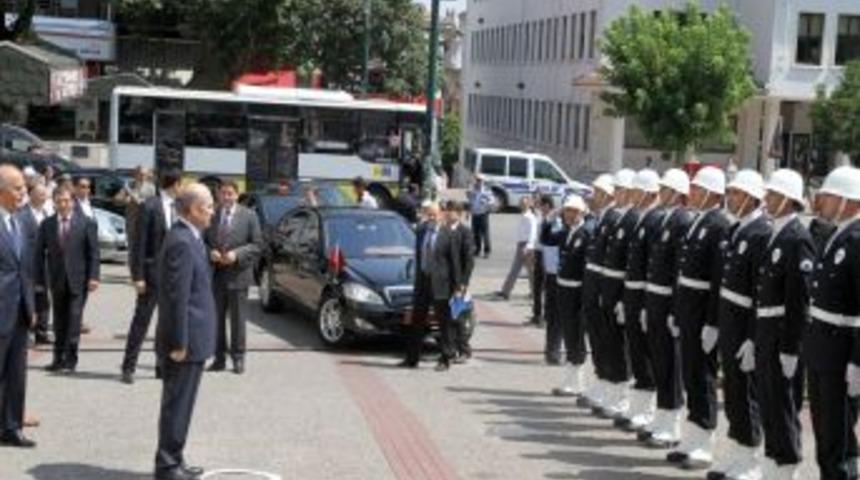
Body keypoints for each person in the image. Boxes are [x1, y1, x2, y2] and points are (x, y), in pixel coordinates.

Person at [706, 169, 772, 480]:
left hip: (745, 326)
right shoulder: (739, 229)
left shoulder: (761, 233)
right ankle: (737, 453)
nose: (730, 198)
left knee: (746, 395)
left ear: (751, 197)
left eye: (735, 193)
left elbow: (761, 293)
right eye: (729, 192)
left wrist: (752, 337)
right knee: (732, 393)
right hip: (729, 321)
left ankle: (750, 461)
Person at [666, 166, 731, 471]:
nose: (691, 193)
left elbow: (717, 281)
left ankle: (704, 444)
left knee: (703, 378)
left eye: (698, 188)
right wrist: (678, 311)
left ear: (714, 194)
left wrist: (712, 322)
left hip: (702, 310)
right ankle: (691, 438)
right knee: (691, 375)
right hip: (688, 308)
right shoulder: (698, 221)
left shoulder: (719, 225)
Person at [754, 169, 815, 480]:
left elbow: (799, 302)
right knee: (769, 401)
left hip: (782, 335)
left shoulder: (797, 239)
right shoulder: (776, 233)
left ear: (790, 200)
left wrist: (791, 347)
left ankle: (786, 467)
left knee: (783, 405)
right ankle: (773, 464)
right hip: (767, 331)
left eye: (773, 195)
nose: (767, 199)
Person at [154, 182, 216, 480]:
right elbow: (176, 296)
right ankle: (167, 466)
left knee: (183, 404)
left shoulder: (191, 236)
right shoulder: (181, 240)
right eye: (208, 207)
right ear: (192, 210)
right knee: (176, 404)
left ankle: (175, 458)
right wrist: (179, 341)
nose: (212, 213)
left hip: (193, 337)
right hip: (184, 341)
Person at [803, 166, 860, 480]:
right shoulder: (836, 235)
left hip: (840, 351)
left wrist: (857, 361)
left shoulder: (857, 239)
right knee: (824, 429)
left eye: (829, 196)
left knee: (835, 434)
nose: (821, 201)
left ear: (849, 202)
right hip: (822, 347)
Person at [642, 169, 693, 449]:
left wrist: (675, 308)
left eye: (666, 189)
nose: (661, 193)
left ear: (678, 193)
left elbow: (677, 270)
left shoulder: (682, 220)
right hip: (656, 297)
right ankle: (662, 417)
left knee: (670, 364)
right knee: (660, 360)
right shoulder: (667, 219)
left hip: (668, 299)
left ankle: (672, 425)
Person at [121, 169, 183, 384]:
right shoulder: (150, 205)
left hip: (172, 276)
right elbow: (138, 243)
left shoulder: (180, 208)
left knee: (165, 324)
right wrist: (137, 275)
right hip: (151, 274)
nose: (182, 189)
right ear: (175, 185)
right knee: (141, 322)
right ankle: (128, 366)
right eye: (181, 185)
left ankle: (161, 364)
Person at [34, 186, 100, 373]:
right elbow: (39, 254)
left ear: (73, 202)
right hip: (56, 280)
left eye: (67, 201)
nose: (63, 204)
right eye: (59, 201)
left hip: (79, 280)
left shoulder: (86, 223)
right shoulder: (47, 225)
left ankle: (71, 359)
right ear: (54, 202)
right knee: (59, 321)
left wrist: (94, 276)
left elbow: (93, 253)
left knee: (74, 319)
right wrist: (39, 279)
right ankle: (57, 359)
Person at [617, 169, 662, 433]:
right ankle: (640, 405)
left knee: (646, 355)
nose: (631, 195)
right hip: (635, 292)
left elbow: (652, 267)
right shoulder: (642, 219)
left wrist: (644, 302)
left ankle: (648, 409)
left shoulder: (654, 220)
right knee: (637, 351)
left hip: (647, 294)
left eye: (636, 191)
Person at [204, 180, 263, 374]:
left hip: (238, 275)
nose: (227, 197)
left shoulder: (249, 215)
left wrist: (236, 255)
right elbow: (202, 240)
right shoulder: (212, 215)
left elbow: (256, 245)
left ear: (237, 195)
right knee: (217, 320)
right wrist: (209, 251)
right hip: (216, 275)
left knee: (238, 320)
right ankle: (218, 359)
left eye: (230, 193)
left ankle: (238, 358)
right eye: (223, 194)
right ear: (219, 195)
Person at [399, 201, 463, 371]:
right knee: (417, 320)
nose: (432, 218)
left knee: (444, 322)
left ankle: (445, 358)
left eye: (435, 215)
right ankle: (412, 358)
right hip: (423, 282)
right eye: (429, 215)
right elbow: (419, 256)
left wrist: (457, 287)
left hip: (441, 285)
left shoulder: (448, 234)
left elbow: (455, 263)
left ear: (441, 215)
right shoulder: (421, 232)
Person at [542, 195, 592, 397]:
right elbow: (545, 239)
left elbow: (586, 268)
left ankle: (577, 381)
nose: (567, 214)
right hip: (562, 287)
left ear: (580, 213)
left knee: (576, 335)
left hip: (577, 290)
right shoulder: (565, 232)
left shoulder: (585, 234)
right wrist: (548, 219)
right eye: (566, 210)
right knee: (569, 333)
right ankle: (571, 379)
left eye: (571, 211)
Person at [0, 165, 36, 448]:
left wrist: (31, 305)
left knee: (16, 374)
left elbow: (27, 268)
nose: (24, 193)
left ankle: (11, 427)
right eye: (18, 188)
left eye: (24, 187)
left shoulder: (22, 221)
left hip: (20, 310)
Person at [596, 168, 636, 420]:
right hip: (609, 286)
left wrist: (622, 298)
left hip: (621, 288)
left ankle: (622, 395)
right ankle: (611, 387)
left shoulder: (631, 219)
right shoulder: (620, 218)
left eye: (621, 190)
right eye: (616, 190)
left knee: (621, 346)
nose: (617, 194)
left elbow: (630, 265)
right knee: (609, 342)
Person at [579, 174, 620, 411]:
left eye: (597, 193)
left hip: (605, 285)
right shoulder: (601, 218)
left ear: (607, 195)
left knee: (607, 339)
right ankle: (601, 380)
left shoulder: (613, 218)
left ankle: (612, 385)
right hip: (595, 282)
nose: (592, 197)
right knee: (596, 337)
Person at [19, 183, 53, 345]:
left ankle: (42, 331)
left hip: (45, 265)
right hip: (28, 264)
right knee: (28, 298)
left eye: (45, 194)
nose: (43, 196)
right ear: (30, 195)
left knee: (44, 299)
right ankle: (27, 333)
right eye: (40, 194)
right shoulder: (22, 215)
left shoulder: (46, 214)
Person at [445, 201, 475, 364]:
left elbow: (469, 260)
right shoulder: (443, 230)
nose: (448, 213)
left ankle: (464, 349)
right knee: (447, 316)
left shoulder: (465, 232)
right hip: (443, 280)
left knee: (458, 316)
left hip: (458, 282)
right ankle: (450, 350)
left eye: (452, 211)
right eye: (447, 210)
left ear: (459, 213)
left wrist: (463, 283)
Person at [496, 197, 538, 301]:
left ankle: (534, 293)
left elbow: (533, 233)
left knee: (529, 271)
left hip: (527, 245)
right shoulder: (523, 216)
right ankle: (506, 291)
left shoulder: (530, 217)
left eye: (524, 203)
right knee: (519, 269)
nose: (522, 205)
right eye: (521, 203)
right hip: (521, 244)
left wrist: (528, 247)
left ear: (529, 205)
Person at [537, 195, 562, 362]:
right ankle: (551, 350)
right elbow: (545, 239)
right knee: (552, 315)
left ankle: (555, 350)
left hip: (565, 277)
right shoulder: (557, 227)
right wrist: (548, 219)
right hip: (552, 274)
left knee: (560, 317)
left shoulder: (571, 230)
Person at [117, 166, 156, 253]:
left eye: (145, 175)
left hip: (145, 220)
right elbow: (117, 199)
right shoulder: (129, 185)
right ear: (135, 175)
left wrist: (141, 201)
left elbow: (152, 204)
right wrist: (124, 200)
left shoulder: (151, 188)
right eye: (141, 175)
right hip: (132, 220)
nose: (143, 177)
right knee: (132, 246)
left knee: (143, 247)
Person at [467, 175, 494, 258]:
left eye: (480, 180)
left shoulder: (486, 191)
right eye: (477, 180)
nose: (478, 182)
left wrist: (486, 205)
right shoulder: (473, 190)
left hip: (483, 214)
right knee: (475, 233)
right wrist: (469, 212)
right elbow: (471, 202)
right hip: (475, 214)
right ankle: (477, 249)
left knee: (485, 233)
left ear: (483, 181)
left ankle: (487, 251)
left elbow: (492, 201)